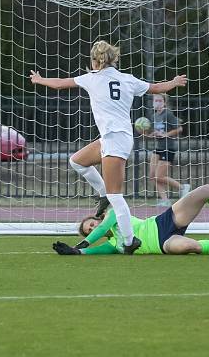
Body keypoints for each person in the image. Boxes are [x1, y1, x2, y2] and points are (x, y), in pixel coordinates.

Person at [30, 40, 187, 254]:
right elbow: (156, 88)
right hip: (113, 138)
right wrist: (174, 81)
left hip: (115, 139)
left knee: (116, 196)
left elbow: (60, 84)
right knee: (77, 161)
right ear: (114, 59)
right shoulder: (127, 79)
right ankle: (103, 192)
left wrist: (39, 80)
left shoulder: (92, 78)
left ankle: (130, 241)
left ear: (95, 60)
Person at [52, 184, 209, 256]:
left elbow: (101, 229)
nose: (92, 228)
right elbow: (93, 252)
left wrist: (82, 242)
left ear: (96, 220)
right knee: (193, 247)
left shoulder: (114, 216)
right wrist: (78, 251)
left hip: (162, 222)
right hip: (164, 244)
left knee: (206, 191)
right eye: (88, 230)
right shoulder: (114, 245)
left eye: (91, 224)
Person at [139, 93, 190, 207]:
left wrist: (166, 134)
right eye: (155, 100)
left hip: (168, 147)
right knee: (152, 176)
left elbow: (179, 128)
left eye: (159, 100)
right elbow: (154, 132)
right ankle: (165, 200)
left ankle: (182, 187)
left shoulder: (168, 114)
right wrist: (148, 133)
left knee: (159, 176)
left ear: (164, 102)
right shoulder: (153, 116)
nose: (157, 102)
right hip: (158, 147)